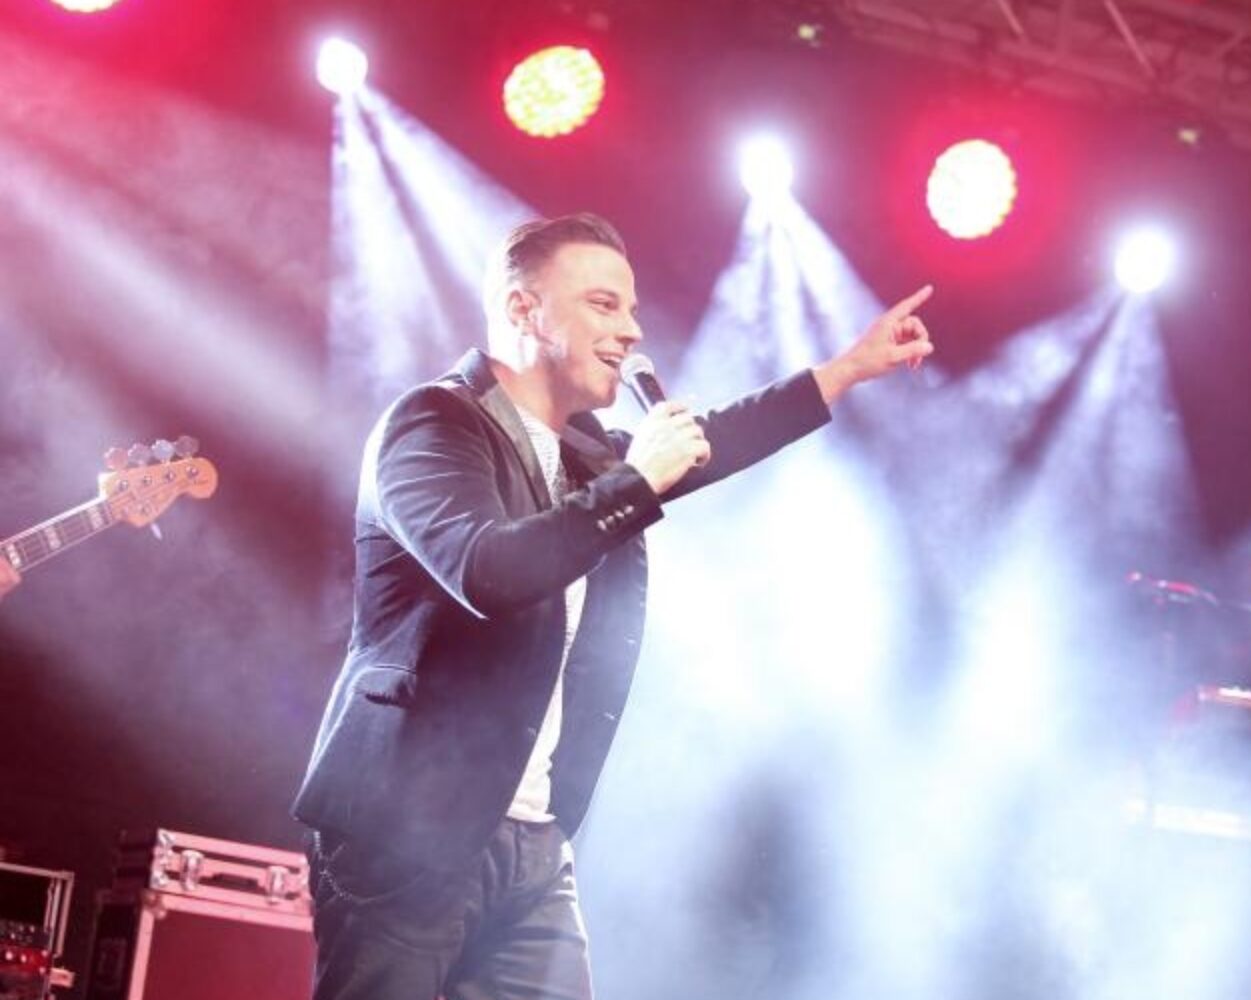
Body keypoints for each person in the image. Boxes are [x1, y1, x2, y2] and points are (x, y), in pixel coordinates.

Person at [291, 212, 934, 1000]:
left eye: (630, 308)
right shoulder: (432, 424)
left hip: (532, 842)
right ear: (524, 310)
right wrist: (638, 480)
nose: (631, 330)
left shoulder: (585, 454)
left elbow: (712, 444)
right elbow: (488, 570)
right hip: (407, 828)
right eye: (603, 304)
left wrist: (846, 370)